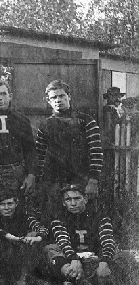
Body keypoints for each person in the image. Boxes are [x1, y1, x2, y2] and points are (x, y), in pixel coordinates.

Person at [43, 184, 137, 285]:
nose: (73, 203)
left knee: (128, 256)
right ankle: (84, 284)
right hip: (72, 263)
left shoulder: (100, 217)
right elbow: (63, 242)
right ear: (63, 203)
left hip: (95, 261)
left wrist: (104, 261)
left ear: (85, 199)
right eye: (68, 199)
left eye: (77, 198)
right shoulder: (58, 219)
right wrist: (74, 259)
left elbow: (107, 241)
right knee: (50, 249)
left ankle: (79, 284)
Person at [34, 80, 103, 215]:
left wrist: (93, 179)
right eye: (54, 97)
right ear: (48, 101)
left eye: (61, 96)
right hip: (55, 181)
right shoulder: (45, 125)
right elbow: (40, 156)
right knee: (55, 216)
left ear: (69, 97)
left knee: (85, 217)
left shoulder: (86, 121)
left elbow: (96, 151)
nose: (58, 100)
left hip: (82, 179)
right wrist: (41, 182)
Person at [0, 188, 47, 285]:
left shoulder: (25, 217)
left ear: (16, 203)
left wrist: (37, 237)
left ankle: (23, 279)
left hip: (18, 255)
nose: (6, 208)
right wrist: (8, 236)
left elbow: (42, 228)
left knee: (32, 235)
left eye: (10, 203)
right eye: (2, 204)